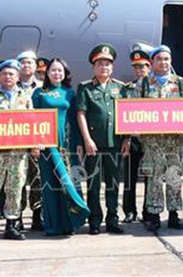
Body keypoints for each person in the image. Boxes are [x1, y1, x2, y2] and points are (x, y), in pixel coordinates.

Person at [123, 45, 183, 231]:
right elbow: (134, 109)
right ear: (152, 62)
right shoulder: (143, 84)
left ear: (171, 61)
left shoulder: (179, 82)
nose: (163, 62)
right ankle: (154, 215)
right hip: (152, 142)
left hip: (174, 141)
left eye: (166, 59)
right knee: (154, 179)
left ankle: (174, 215)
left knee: (174, 177)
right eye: (159, 59)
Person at [31, 58, 90, 236]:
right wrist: (35, 143)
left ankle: (71, 222)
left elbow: (74, 119)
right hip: (46, 145)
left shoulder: (69, 93)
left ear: (65, 74)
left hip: (67, 144)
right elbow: (32, 120)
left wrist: (79, 143)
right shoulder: (39, 93)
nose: (57, 73)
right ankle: (53, 225)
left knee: (68, 182)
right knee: (50, 184)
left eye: (60, 71)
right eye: (53, 70)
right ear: (47, 73)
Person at [76, 44, 126, 235]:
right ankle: (95, 220)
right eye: (100, 64)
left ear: (112, 67)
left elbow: (126, 115)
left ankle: (113, 219)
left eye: (107, 64)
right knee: (93, 184)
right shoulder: (85, 88)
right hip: (94, 144)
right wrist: (87, 140)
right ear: (93, 67)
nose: (104, 67)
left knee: (113, 184)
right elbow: (81, 113)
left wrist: (127, 140)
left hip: (115, 143)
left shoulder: (120, 88)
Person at [0, 59, 35, 242]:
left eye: (11, 74)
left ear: (18, 76)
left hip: (17, 153)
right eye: (4, 73)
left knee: (15, 188)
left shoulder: (25, 96)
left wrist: (34, 144)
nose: (7, 77)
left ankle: (11, 226)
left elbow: (33, 122)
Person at [122, 49, 151, 224]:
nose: (139, 70)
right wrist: (126, 138)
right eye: (136, 67)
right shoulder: (127, 89)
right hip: (132, 140)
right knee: (129, 177)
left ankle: (148, 211)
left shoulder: (154, 88)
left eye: (143, 67)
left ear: (149, 68)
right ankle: (129, 211)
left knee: (150, 176)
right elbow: (123, 115)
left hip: (151, 140)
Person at [15, 50, 43, 231]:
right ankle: (16, 216)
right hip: (16, 141)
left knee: (37, 179)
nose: (26, 65)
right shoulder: (10, 84)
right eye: (23, 62)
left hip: (36, 141)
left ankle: (37, 216)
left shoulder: (42, 87)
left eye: (30, 62)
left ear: (35, 66)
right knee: (17, 180)